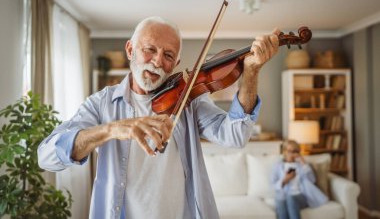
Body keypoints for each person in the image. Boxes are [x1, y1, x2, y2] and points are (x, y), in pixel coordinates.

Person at [38, 16, 280, 219]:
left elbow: (235, 136)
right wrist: (110, 130)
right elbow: (46, 156)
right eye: (150, 49)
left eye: (167, 55)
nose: (157, 62)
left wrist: (251, 72)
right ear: (130, 49)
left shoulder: (189, 100)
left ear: (176, 63)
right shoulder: (101, 104)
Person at [271, 140, 328, 219]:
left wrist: (303, 162)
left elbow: (312, 180)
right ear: (284, 151)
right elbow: (272, 185)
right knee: (281, 200)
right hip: (284, 195)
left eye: (295, 151)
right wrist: (285, 180)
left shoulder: (301, 165)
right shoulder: (278, 166)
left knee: (290, 198)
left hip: (300, 196)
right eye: (289, 151)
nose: (292, 154)